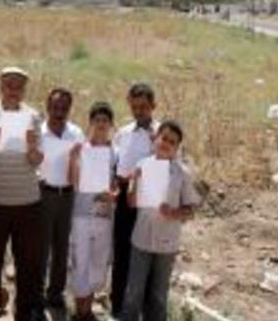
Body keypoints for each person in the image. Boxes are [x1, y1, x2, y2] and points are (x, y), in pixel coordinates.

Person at [0, 66, 45, 321]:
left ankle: (24, 312)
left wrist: (31, 147)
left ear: (24, 89)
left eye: (19, 86)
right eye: (9, 85)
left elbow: (37, 161)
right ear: (1, 86)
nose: (14, 90)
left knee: (27, 262)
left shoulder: (33, 116)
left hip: (27, 202)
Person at [121, 121, 200, 321]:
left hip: (167, 244)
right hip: (141, 239)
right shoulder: (142, 165)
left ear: (176, 148)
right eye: (164, 138)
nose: (166, 144)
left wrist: (174, 213)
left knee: (158, 295)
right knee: (133, 293)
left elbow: (191, 210)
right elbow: (131, 203)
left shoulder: (182, 173)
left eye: (172, 142)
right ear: (156, 138)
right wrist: (136, 181)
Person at [110, 83, 159, 317]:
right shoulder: (123, 132)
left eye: (144, 107)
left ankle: (144, 309)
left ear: (153, 106)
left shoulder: (161, 135)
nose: (139, 112)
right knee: (121, 252)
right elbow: (115, 164)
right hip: (123, 200)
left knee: (146, 255)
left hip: (149, 203)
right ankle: (118, 307)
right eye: (135, 106)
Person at [67, 102, 118, 321]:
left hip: (104, 215)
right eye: (97, 120)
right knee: (81, 261)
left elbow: (116, 183)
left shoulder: (115, 153)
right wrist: (72, 158)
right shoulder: (81, 150)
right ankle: (81, 312)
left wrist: (113, 195)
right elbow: (74, 183)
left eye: (105, 121)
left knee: (98, 261)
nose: (101, 124)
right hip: (81, 214)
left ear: (111, 125)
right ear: (90, 123)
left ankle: (89, 309)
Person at [37, 88, 83, 311]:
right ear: (47, 106)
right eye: (55, 107)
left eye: (64, 107)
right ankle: (36, 294)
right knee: (41, 247)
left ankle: (55, 293)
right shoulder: (37, 132)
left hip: (67, 195)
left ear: (69, 109)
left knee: (62, 247)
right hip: (43, 194)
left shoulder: (76, 133)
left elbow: (84, 165)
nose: (59, 111)